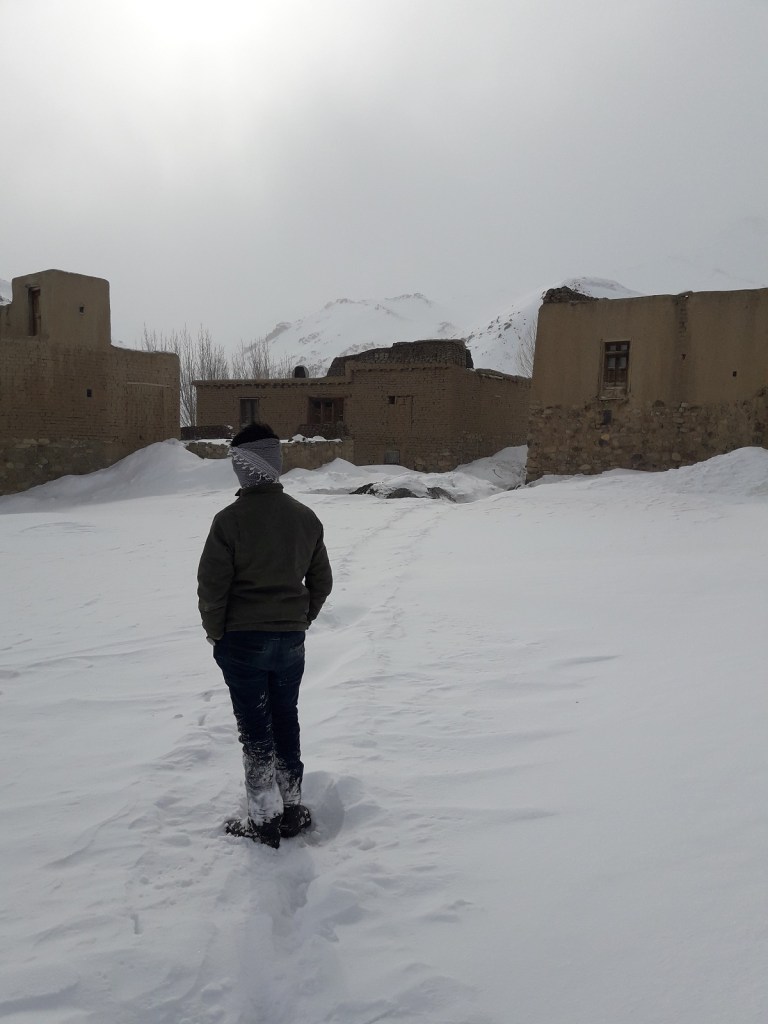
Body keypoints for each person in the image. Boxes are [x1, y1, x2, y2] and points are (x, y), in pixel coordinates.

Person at [197, 421, 333, 847]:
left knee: (255, 728)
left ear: (244, 468)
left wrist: (216, 635)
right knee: (285, 719)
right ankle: (290, 810)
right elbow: (321, 581)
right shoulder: (305, 517)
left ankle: (263, 820)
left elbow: (212, 588)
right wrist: (300, 619)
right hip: (289, 641)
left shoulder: (229, 521)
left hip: (241, 643)